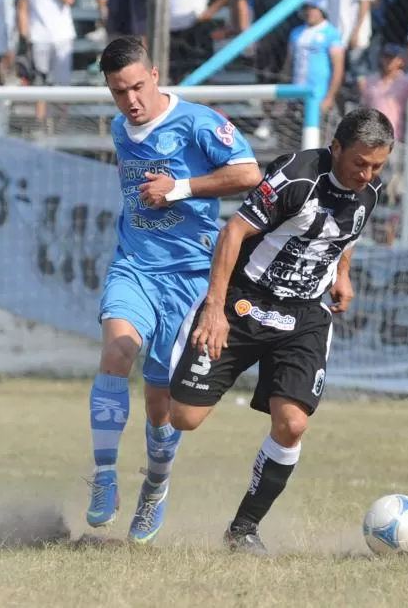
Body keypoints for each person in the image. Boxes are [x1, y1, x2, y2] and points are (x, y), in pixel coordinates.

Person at [166, 108, 394, 555]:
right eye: (359, 164)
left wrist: (342, 275)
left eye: (377, 166)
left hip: (305, 315)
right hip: (243, 302)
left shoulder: (372, 191)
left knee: (292, 424)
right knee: (183, 418)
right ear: (336, 150)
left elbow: (344, 236)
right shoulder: (296, 177)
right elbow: (233, 232)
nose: (366, 175)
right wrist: (215, 309)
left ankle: (243, 530)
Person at [88, 37, 262, 544]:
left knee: (161, 403)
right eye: (119, 92)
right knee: (118, 353)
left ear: (156, 74)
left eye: (138, 87)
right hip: (135, 267)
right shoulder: (121, 128)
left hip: (189, 280)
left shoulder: (199, 123)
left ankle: (155, 488)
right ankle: (103, 478)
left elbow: (250, 174)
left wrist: (180, 188)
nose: (131, 101)